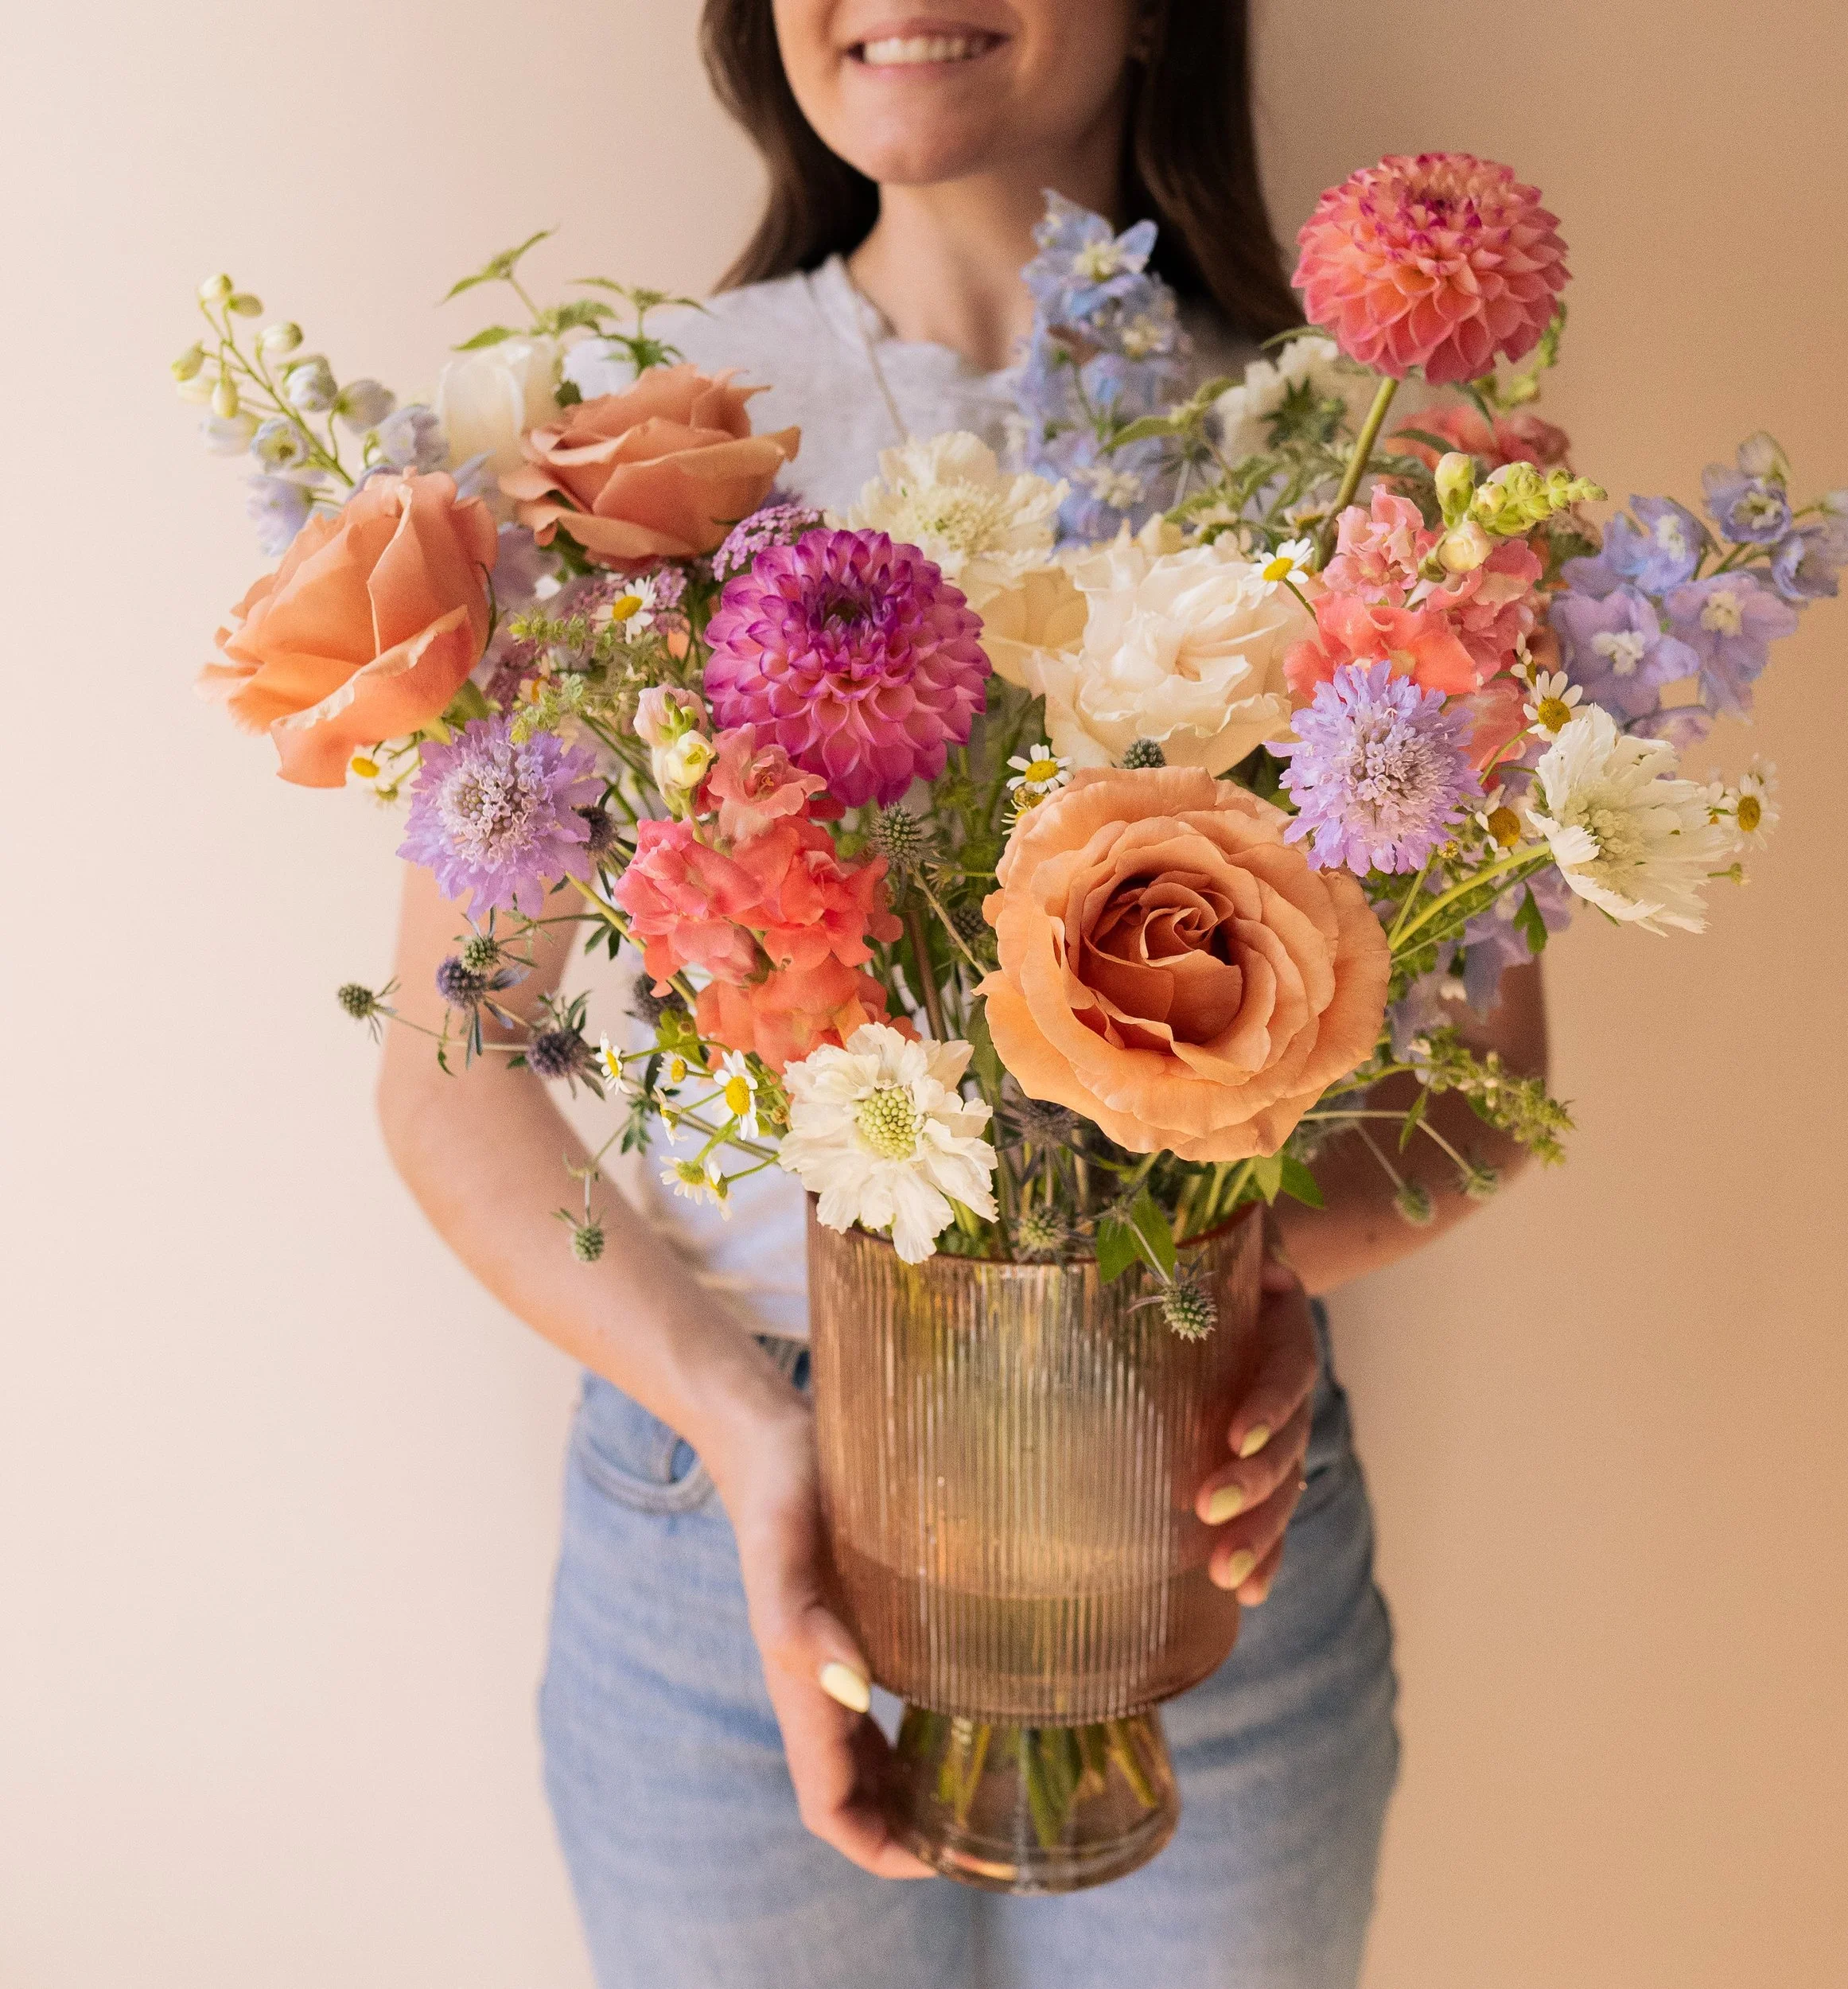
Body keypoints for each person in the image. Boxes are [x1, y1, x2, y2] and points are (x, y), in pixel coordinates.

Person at [377, 4, 1549, 1983]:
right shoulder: (625, 441)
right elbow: (449, 1070)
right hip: (716, 1526)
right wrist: (746, 1434)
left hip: (1203, 1520)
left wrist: (1252, 1269)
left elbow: (1486, 1077)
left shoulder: (1356, 457)